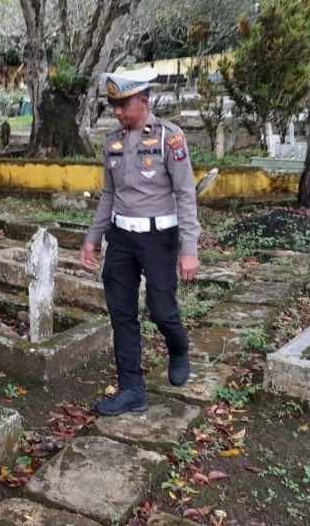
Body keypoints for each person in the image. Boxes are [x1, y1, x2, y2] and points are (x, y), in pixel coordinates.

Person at [80, 66, 200, 417]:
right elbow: (108, 195)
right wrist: (93, 238)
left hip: (159, 238)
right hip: (121, 239)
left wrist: (188, 249)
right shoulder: (112, 142)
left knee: (162, 310)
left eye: (123, 105)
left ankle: (178, 348)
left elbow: (185, 193)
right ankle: (132, 388)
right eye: (113, 105)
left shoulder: (169, 137)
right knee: (122, 314)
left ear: (144, 101)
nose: (117, 111)